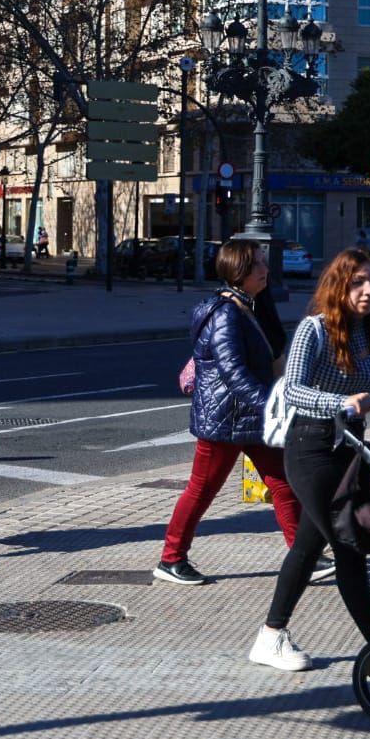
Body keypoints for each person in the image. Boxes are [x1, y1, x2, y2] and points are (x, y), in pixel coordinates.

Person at [250, 248, 370, 672]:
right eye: (358, 282)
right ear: (339, 285)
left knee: (307, 545)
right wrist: (341, 402)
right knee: (347, 545)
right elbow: (293, 388)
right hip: (311, 448)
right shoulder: (313, 330)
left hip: (350, 450)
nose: (369, 291)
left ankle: (269, 636)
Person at [155, 240, 325, 586]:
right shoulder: (226, 314)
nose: (266, 270)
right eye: (258, 265)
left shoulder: (246, 306)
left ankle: (303, 556)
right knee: (201, 489)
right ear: (239, 272)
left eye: (263, 263)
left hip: (248, 418)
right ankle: (171, 559)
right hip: (224, 420)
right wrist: (273, 404)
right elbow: (235, 374)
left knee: (283, 483)